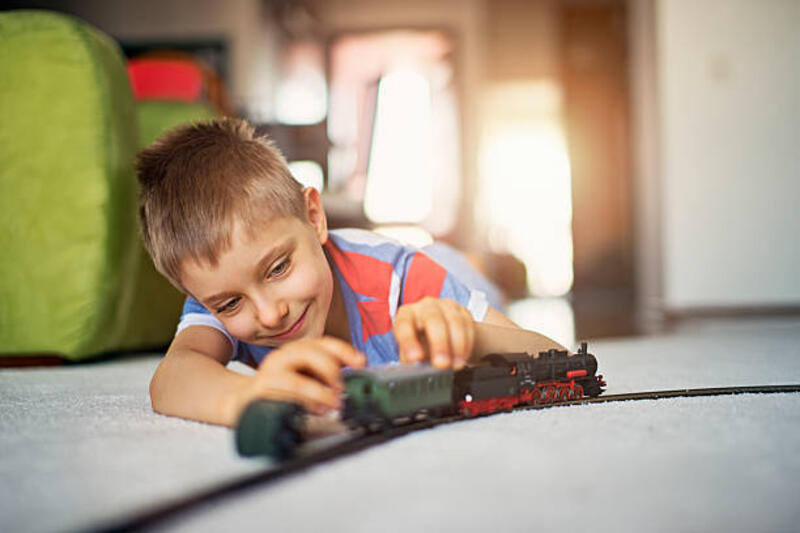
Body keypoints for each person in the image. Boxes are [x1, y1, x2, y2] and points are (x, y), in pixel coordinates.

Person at [136, 117, 567, 427]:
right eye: (231, 303)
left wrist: (468, 333)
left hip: (434, 268)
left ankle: (471, 263)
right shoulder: (220, 291)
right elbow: (173, 378)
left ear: (313, 216)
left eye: (279, 267)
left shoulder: (399, 277)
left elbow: (557, 358)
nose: (268, 315)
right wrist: (250, 397)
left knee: (472, 280)